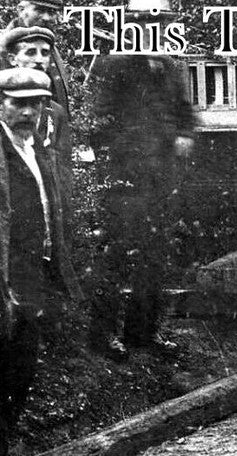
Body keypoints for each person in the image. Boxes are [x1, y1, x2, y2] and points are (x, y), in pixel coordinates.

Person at [88, 0, 195, 359]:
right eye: (146, 24)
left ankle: (143, 333)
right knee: (116, 254)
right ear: (131, 26)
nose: (153, 30)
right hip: (126, 180)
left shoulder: (169, 66)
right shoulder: (114, 66)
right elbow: (99, 120)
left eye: (160, 24)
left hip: (162, 179)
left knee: (156, 256)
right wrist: (122, 159)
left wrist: (183, 135)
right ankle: (103, 336)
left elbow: (186, 114)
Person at [0, 67, 82, 456]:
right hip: (7, 272)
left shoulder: (38, 150)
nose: (28, 113)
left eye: (36, 104)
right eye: (19, 104)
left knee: (23, 359)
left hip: (36, 270)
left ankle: (11, 432)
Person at [2, 27, 74, 219]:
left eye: (45, 53)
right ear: (12, 59)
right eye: (31, 52)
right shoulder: (4, 106)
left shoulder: (55, 112)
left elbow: (63, 171)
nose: (39, 59)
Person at [6, 0, 70, 117]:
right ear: (21, 10)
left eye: (51, 12)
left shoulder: (51, 49)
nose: (46, 18)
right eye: (39, 10)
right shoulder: (4, 46)